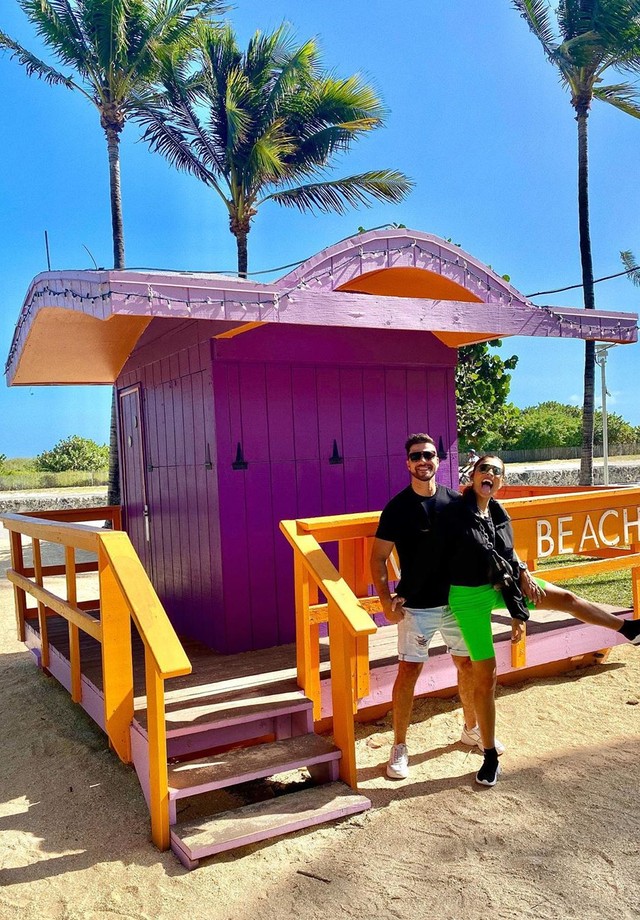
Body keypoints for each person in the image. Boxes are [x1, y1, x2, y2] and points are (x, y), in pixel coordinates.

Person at [441, 453, 640, 788]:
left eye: (496, 471)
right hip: (469, 596)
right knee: (485, 676)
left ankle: (629, 629)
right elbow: (479, 555)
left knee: (566, 598)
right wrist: (518, 604)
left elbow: (507, 554)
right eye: (484, 469)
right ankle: (489, 753)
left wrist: (523, 571)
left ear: (501, 482)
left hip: (502, 583)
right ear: (473, 476)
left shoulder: (499, 512)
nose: (489, 474)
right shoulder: (456, 513)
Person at [370, 434, 504, 781]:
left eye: (429, 455)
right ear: (408, 463)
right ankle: (399, 746)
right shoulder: (397, 508)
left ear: (438, 460)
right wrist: (385, 601)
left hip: (458, 600)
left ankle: (471, 729)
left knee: (467, 666)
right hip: (416, 607)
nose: (423, 461)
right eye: (416, 456)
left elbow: (487, 532)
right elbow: (379, 558)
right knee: (408, 673)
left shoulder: (455, 502)